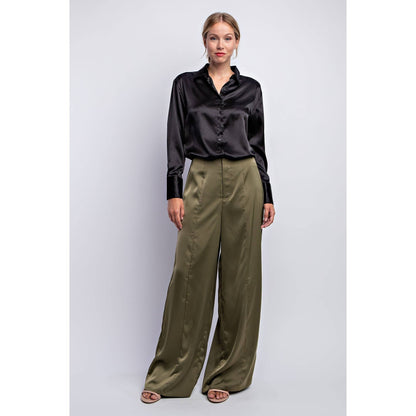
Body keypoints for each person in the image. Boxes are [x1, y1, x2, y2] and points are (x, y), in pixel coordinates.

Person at [141, 11, 276, 404]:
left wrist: (267, 193)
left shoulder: (251, 89)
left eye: (228, 38)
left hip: (245, 181)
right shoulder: (185, 85)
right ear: (204, 41)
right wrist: (174, 189)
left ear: (237, 42)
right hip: (199, 177)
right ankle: (169, 374)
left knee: (241, 277)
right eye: (214, 37)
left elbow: (258, 146)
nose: (220, 45)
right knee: (189, 273)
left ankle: (227, 373)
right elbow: (174, 139)